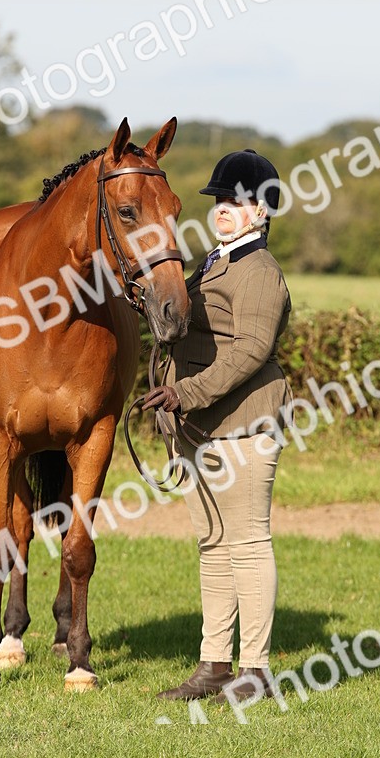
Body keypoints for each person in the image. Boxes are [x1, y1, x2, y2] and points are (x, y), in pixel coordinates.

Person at [143, 149, 292, 705]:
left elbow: (253, 350)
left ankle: (254, 670)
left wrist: (185, 393)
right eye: (219, 199)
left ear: (261, 211)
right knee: (213, 544)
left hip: (245, 422)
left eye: (236, 200)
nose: (224, 208)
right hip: (197, 427)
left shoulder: (259, 271)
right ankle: (213, 665)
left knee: (248, 543)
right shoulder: (212, 262)